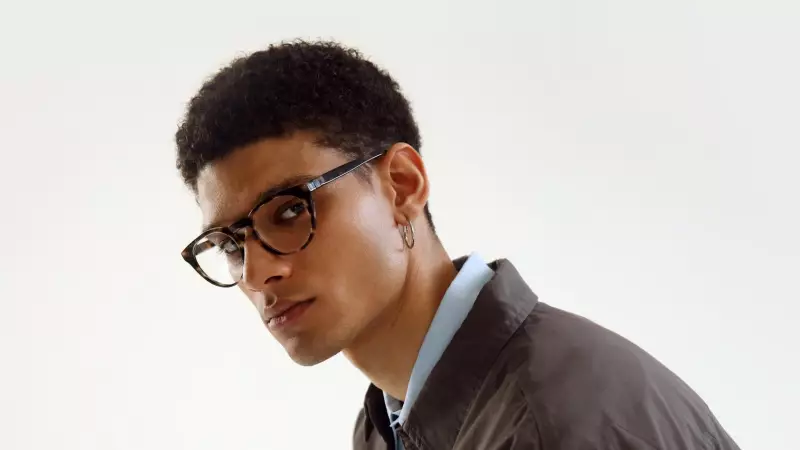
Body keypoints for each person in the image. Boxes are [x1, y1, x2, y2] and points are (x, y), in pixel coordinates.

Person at [174, 40, 740, 450]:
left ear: (402, 186)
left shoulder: (555, 423)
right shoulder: (389, 423)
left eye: (290, 211)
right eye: (231, 243)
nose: (256, 274)